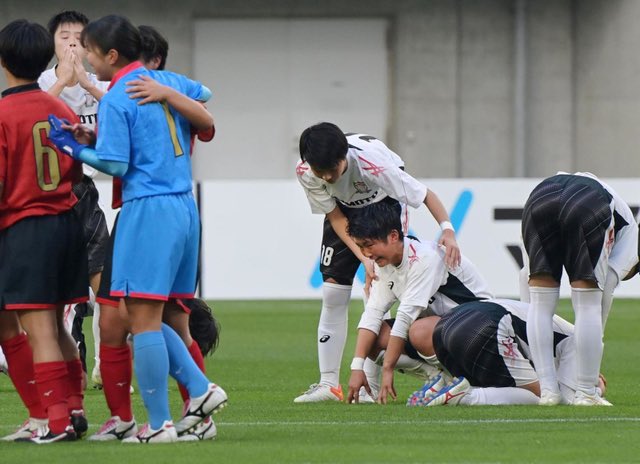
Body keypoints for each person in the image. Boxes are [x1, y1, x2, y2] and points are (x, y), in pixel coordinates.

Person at [47, 14, 226, 444]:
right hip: (184, 206)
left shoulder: (117, 98)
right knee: (154, 316)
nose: (85, 57)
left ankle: (161, 422)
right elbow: (205, 96)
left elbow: (117, 164)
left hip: (147, 209)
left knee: (141, 319)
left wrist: (72, 147)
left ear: (110, 55)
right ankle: (195, 399)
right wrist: (90, 134)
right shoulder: (166, 80)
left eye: (89, 50)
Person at [294, 122, 462, 403]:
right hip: (344, 210)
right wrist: (362, 256)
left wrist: (448, 229)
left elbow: (425, 195)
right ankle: (329, 384)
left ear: (344, 157)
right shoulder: (307, 172)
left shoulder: (376, 167)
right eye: (319, 171)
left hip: (384, 202)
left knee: (383, 286)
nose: (326, 177)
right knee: (333, 292)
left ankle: (370, 386)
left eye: (332, 170)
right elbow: (336, 217)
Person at [0, 19, 89, 443]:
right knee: (56, 326)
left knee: (38, 333)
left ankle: (53, 422)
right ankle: (73, 409)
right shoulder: (60, 107)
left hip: (26, 228)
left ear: (3, 62)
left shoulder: (3, 113)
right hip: (67, 223)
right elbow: (76, 163)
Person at [343, 200, 492, 404]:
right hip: (444, 331)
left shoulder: (424, 258)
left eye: (369, 245)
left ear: (394, 236)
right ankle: (438, 378)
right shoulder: (383, 264)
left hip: (482, 327)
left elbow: (404, 318)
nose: (366, 254)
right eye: (361, 247)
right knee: (374, 338)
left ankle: (466, 381)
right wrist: (356, 367)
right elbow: (372, 313)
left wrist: (387, 369)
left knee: (418, 330)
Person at [37, 9, 110, 389]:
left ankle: (105, 365)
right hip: (48, 195)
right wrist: (64, 81)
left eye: (79, 37)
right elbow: (28, 117)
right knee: (54, 292)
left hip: (87, 191)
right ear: (52, 42)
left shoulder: (100, 83)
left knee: (105, 286)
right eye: (64, 36)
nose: (71, 44)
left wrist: (83, 81)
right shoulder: (42, 81)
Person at [522, 172, 638, 406]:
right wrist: (587, 369)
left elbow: (527, 287)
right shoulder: (633, 243)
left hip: (539, 195)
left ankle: (547, 391)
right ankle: (586, 393)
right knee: (588, 303)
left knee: (540, 302)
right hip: (588, 200)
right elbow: (601, 302)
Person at [404, 298, 608, 406]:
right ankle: (466, 397)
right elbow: (566, 397)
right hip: (487, 324)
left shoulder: (562, 339)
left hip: (448, 324)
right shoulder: (576, 340)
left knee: (503, 386)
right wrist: (594, 390)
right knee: (545, 396)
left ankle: (445, 386)